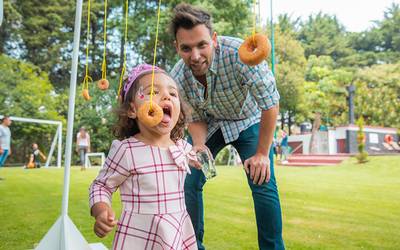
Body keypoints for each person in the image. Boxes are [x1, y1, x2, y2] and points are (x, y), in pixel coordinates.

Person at [169, 4, 284, 249]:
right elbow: (194, 117)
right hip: (211, 124)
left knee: (262, 180)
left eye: (202, 45)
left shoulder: (241, 55)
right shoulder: (177, 77)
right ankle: (192, 245)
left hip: (248, 119)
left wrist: (263, 154)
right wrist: (198, 145)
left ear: (214, 39)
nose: (196, 56)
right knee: (188, 178)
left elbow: (270, 103)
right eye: (186, 48)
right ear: (176, 47)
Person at [89, 64, 199, 250]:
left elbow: (198, 158)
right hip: (140, 232)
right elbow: (101, 185)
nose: (166, 96)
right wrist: (101, 210)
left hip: (176, 227)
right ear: (132, 110)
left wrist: (201, 158)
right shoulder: (127, 150)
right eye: (153, 92)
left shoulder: (181, 145)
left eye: (173, 94)